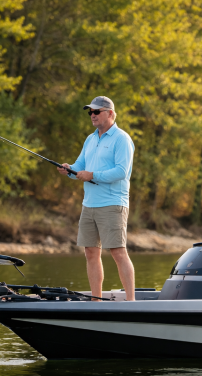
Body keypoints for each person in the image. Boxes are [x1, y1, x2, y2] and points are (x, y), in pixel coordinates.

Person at [58, 96, 136, 301]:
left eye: (96, 112)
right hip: (89, 205)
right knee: (91, 253)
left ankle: (131, 302)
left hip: (112, 203)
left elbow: (121, 171)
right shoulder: (90, 139)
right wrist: (69, 169)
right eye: (90, 112)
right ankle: (96, 299)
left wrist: (93, 175)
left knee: (118, 252)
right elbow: (79, 167)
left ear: (110, 113)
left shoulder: (122, 138)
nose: (92, 115)